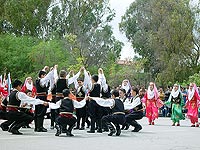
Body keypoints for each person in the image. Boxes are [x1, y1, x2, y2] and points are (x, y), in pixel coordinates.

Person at [34, 65, 57, 132]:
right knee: (41, 113)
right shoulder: (41, 81)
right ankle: (39, 127)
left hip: (38, 97)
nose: (45, 76)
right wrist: (53, 70)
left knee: (38, 112)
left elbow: (46, 77)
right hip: (42, 97)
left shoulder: (38, 80)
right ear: (41, 76)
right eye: (44, 75)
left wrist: (44, 69)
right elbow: (47, 77)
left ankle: (37, 126)